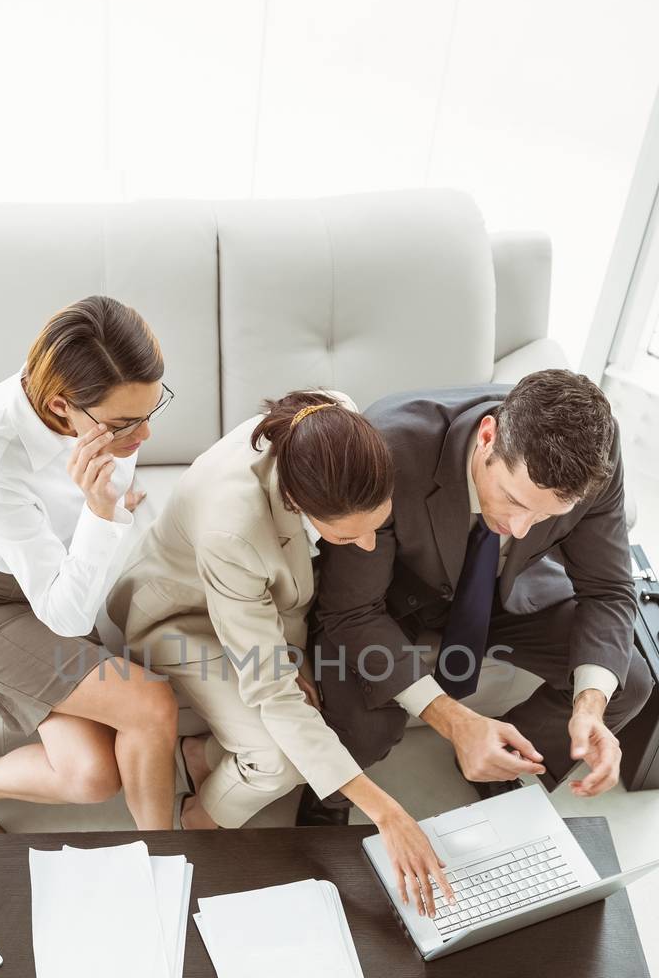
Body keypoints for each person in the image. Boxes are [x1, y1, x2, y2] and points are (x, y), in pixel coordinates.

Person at [108, 391, 454, 917]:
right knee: (277, 760)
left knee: (315, 715)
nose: (366, 546)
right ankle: (199, 819)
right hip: (182, 617)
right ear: (298, 502)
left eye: (375, 527)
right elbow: (270, 687)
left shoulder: (335, 420)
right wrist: (387, 813)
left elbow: (279, 598)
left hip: (257, 609)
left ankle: (200, 756)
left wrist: (292, 655)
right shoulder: (233, 527)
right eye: (348, 535)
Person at [299, 370, 653, 824]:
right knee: (366, 730)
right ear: (488, 436)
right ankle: (325, 806)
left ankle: (505, 766)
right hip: (390, 598)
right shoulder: (386, 447)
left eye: (547, 516)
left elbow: (608, 588)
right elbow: (350, 611)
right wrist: (455, 722)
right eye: (515, 500)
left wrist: (589, 706)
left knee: (626, 683)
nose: (522, 528)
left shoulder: (597, 455)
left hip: (504, 589)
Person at [0, 296, 178, 835]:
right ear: (60, 407)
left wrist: (107, 507)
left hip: (58, 579)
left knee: (91, 775)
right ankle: (168, 857)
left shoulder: (108, 421)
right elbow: (67, 617)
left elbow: (105, 520)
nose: (143, 437)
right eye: (127, 422)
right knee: (149, 706)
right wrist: (102, 513)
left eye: (151, 412)